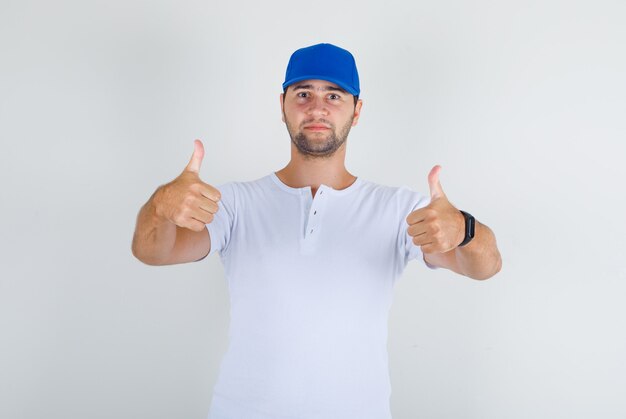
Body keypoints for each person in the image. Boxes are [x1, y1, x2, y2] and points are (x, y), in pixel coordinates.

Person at [132, 43, 502, 419]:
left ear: (357, 111)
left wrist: (464, 229)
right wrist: (161, 206)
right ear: (282, 106)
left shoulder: (398, 210)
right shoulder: (235, 203)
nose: (317, 108)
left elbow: (485, 266)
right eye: (303, 93)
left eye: (334, 95)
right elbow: (152, 251)